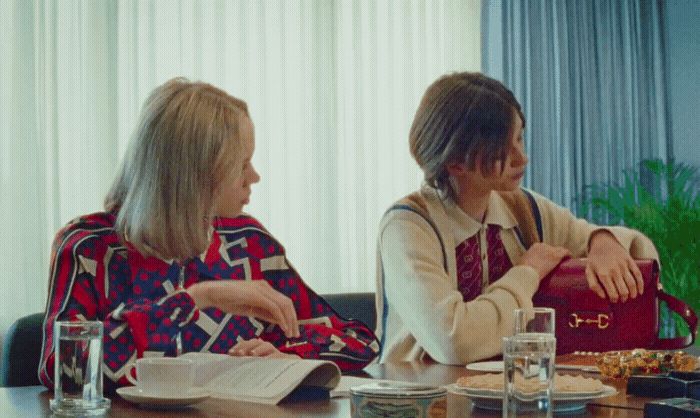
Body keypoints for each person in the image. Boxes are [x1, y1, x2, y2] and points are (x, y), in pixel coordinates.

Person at [39, 78, 379, 390]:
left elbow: (358, 340)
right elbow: (68, 371)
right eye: (241, 164)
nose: (255, 177)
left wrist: (287, 356)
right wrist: (199, 297)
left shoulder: (248, 243)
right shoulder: (89, 248)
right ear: (195, 173)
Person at [375, 72, 658, 365]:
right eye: (502, 150)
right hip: (421, 401)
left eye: (520, 138)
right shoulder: (407, 227)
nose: (522, 158)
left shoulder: (522, 207)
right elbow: (454, 341)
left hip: (510, 395)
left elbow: (591, 238)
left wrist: (602, 241)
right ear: (456, 162)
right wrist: (528, 272)